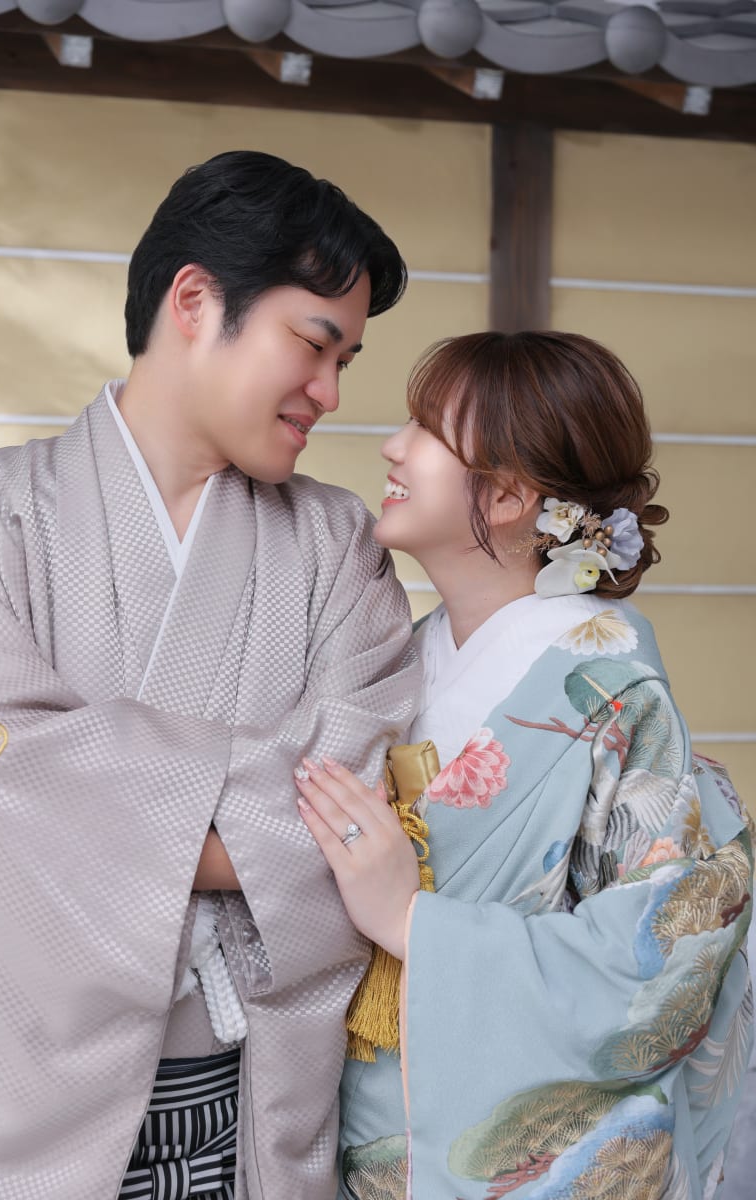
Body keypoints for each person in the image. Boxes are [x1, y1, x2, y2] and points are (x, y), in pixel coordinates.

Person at [0, 150, 423, 1200]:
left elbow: (365, 802)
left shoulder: (339, 545)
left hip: (244, 1107)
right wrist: (260, 803)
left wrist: (88, 792)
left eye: (345, 361)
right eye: (315, 344)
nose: (330, 393)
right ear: (196, 301)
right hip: (10, 1105)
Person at [296, 331, 754, 1200]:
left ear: (507, 494)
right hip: (371, 1148)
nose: (392, 446)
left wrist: (413, 923)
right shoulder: (392, 659)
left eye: (426, 429)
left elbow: (662, 969)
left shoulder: (612, 689)